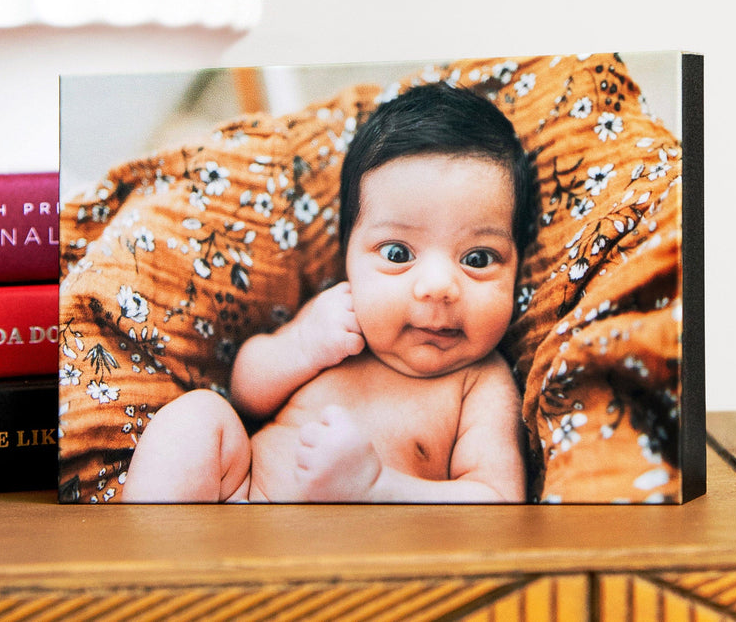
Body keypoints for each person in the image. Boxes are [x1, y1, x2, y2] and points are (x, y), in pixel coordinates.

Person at [122, 82, 538, 503]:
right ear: (348, 259)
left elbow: (498, 499)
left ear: (518, 263)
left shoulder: (481, 384)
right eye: (397, 253)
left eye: (479, 258)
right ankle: (154, 553)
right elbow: (246, 393)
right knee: (199, 416)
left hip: (352, 552)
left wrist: (378, 488)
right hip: (244, 502)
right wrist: (302, 346)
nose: (438, 287)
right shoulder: (337, 320)